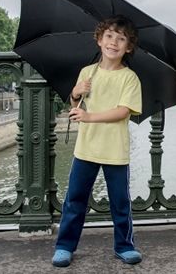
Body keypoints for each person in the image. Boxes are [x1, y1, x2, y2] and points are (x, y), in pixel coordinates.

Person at [51, 15, 143, 267]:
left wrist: (89, 116)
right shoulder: (86, 72)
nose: (114, 42)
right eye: (109, 36)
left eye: (121, 38)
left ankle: (124, 245)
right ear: (99, 39)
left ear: (129, 46)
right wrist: (75, 93)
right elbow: (77, 106)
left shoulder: (129, 78)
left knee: (120, 203)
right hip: (86, 149)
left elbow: (123, 111)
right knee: (75, 200)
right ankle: (64, 246)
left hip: (115, 150)